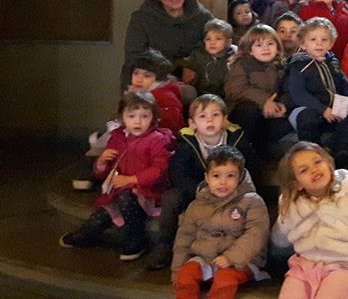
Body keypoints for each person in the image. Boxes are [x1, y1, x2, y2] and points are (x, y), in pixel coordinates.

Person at [59, 92, 175, 261]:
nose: (137, 121)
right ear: (122, 118)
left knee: (125, 199)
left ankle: (136, 238)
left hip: (147, 191)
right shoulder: (118, 137)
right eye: (131, 116)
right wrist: (101, 163)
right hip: (120, 188)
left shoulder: (158, 139)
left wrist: (132, 180)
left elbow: (159, 169)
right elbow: (108, 171)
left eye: (144, 116)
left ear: (153, 118)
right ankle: (89, 233)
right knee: (103, 213)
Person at [147, 94, 256, 271]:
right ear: (192, 123)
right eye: (203, 116)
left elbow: (251, 167)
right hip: (197, 191)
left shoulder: (237, 141)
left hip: (231, 191)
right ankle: (165, 245)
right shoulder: (187, 145)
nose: (209, 121)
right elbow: (178, 174)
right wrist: (200, 190)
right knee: (171, 197)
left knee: (249, 203)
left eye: (215, 115)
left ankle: (236, 249)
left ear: (225, 119)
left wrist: (236, 189)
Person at [272, 142, 348, 299]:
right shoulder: (292, 202)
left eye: (318, 162)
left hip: (342, 267)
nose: (314, 170)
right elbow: (281, 240)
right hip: (303, 266)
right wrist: (290, 207)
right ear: (297, 184)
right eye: (304, 170)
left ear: (329, 163)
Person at [171, 145, 269, 299]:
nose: (223, 182)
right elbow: (184, 237)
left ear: (240, 176)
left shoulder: (252, 201)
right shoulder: (197, 204)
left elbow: (256, 234)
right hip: (205, 256)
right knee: (185, 275)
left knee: (225, 279)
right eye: (216, 176)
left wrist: (230, 257)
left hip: (241, 260)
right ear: (207, 177)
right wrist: (178, 269)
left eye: (230, 175)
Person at [123, 0, 214, 86]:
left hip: (199, 83)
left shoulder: (204, 16)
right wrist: (178, 71)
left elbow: (216, 48)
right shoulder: (141, 19)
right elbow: (135, 58)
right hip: (155, 86)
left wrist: (194, 68)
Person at [280, 18, 348, 147]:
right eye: (313, 40)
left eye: (324, 40)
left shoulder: (333, 62)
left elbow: (344, 86)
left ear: (330, 44)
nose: (319, 44)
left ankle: (339, 151)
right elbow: (298, 94)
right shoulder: (298, 65)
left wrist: (340, 109)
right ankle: (311, 150)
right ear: (303, 44)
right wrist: (322, 109)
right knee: (308, 116)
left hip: (331, 110)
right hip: (305, 109)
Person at [224, 24, 287, 155]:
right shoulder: (241, 64)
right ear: (250, 50)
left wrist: (282, 104)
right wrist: (265, 101)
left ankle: (262, 148)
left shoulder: (281, 66)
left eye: (270, 43)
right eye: (259, 45)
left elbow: (287, 88)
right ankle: (244, 150)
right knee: (248, 111)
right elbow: (236, 89)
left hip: (270, 114)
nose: (266, 48)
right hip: (245, 112)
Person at [126, 48, 185, 132]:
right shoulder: (134, 93)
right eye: (136, 73)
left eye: (146, 76)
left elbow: (168, 131)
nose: (138, 79)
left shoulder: (166, 98)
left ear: (158, 79)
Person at [182, 19, 236, 99]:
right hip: (201, 93)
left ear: (228, 42)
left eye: (218, 39)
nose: (212, 42)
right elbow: (187, 75)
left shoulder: (234, 56)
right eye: (208, 39)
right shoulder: (197, 55)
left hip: (225, 94)